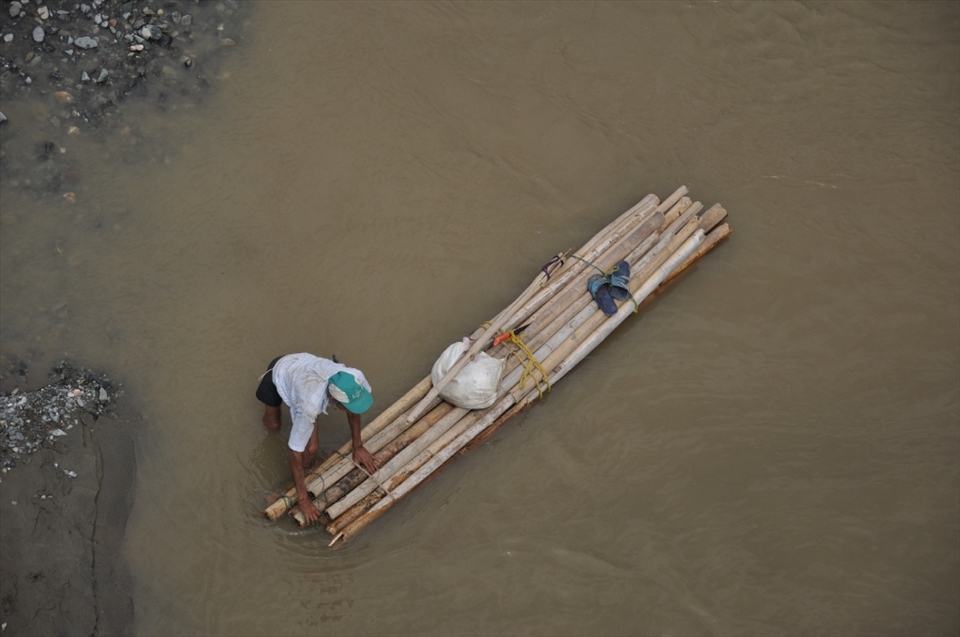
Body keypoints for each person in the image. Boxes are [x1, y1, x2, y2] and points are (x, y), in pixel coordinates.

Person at [256, 353, 379, 524]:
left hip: (306, 373)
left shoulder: (356, 378)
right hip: (280, 372)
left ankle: (306, 471)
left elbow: (354, 411)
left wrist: (358, 446)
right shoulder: (310, 404)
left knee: (311, 447)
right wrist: (303, 498)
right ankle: (299, 481)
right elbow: (294, 451)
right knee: (275, 425)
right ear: (333, 400)